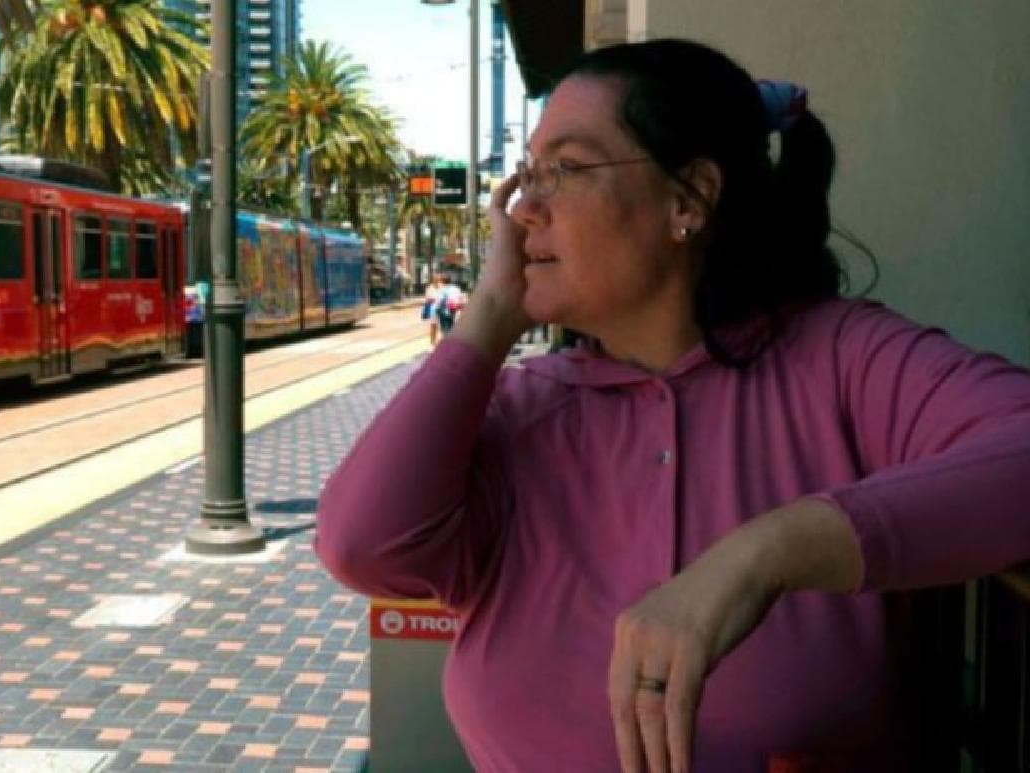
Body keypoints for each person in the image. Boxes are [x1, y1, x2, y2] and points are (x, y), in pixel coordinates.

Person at [316, 38, 1030, 773]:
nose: (525, 208)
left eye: (564, 168)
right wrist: (489, 318)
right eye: (527, 174)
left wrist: (770, 551)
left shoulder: (841, 360)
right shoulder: (520, 411)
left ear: (688, 199)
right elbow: (359, 545)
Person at [422, 273, 444, 346]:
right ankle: (432, 342)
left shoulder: (442, 287)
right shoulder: (430, 288)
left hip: (441, 309)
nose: (437, 280)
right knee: (433, 325)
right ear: (433, 280)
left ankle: (437, 341)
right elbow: (428, 299)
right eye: (436, 279)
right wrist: (435, 299)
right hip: (433, 309)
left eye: (438, 279)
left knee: (439, 326)